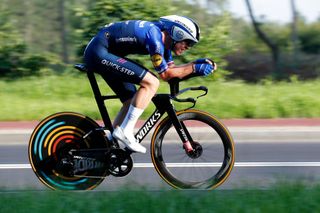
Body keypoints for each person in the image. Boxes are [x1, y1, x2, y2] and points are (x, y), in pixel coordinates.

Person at [84, 15, 216, 153]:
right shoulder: (155, 39)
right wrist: (195, 68)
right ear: (178, 33)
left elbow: (172, 70)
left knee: (131, 99)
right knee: (151, 82)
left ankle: (107, 143)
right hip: (99, 53)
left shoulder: (164, 42)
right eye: (188, 42)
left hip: (104, 52)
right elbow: (165, 75)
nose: (188, 47)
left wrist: (193, 64)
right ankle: (126, 131)